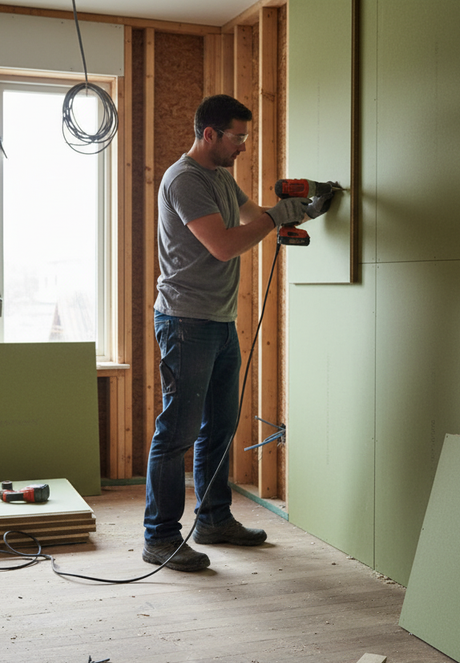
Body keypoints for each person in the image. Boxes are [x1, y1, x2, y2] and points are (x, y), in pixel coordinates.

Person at [143, 94, 332, 571]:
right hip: (186, 322)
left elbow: (253, 216)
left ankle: (212, 519)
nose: (244, 146)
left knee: (220, 427)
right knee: (177, 432)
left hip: (219, 321)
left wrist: (304, 209)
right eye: (238, 136)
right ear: (210, 134)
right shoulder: (184, 180)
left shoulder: (220, 177)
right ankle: (160, 537)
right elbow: (225, 245)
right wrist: (277, 217)